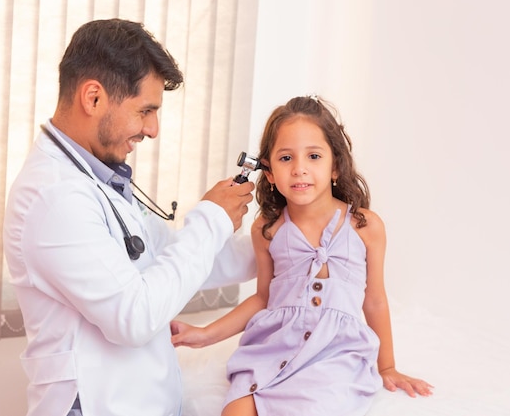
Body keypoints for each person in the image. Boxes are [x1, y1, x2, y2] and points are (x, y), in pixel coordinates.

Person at [3, 19, 256, 416]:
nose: (153, 129)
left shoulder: (96, 179)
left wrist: (277, 242)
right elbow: (134, 317)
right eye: (146, 111)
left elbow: (176, 259)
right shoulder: (53, 197)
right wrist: (212, 218)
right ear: (93, 98)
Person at [171, 95, 433, 416]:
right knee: (234, 411)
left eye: (313, 156)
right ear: (268, 172)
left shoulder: (365, 226)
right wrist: (205, 333)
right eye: (285, 159)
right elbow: (263, 299)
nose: (299, 169)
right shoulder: (266, 230)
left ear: (335, 165)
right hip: (274, 346)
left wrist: (388, 366)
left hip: (335, 354)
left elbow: (375, 300)